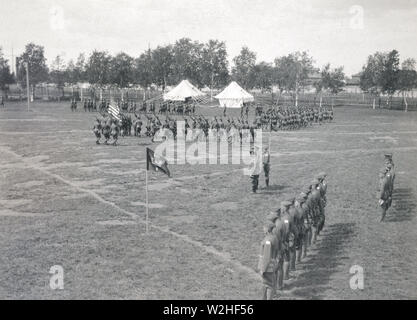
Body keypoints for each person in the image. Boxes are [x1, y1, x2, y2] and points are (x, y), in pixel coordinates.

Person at [258, 223, 279, 300]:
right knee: (266, 284)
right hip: (272, 265)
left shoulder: (268, 240)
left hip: (267, 267)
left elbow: (267, 257)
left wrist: (263, 269)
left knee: (268, 285)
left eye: (264, 228)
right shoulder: (274, 237)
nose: (263, 229)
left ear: (267, 229)